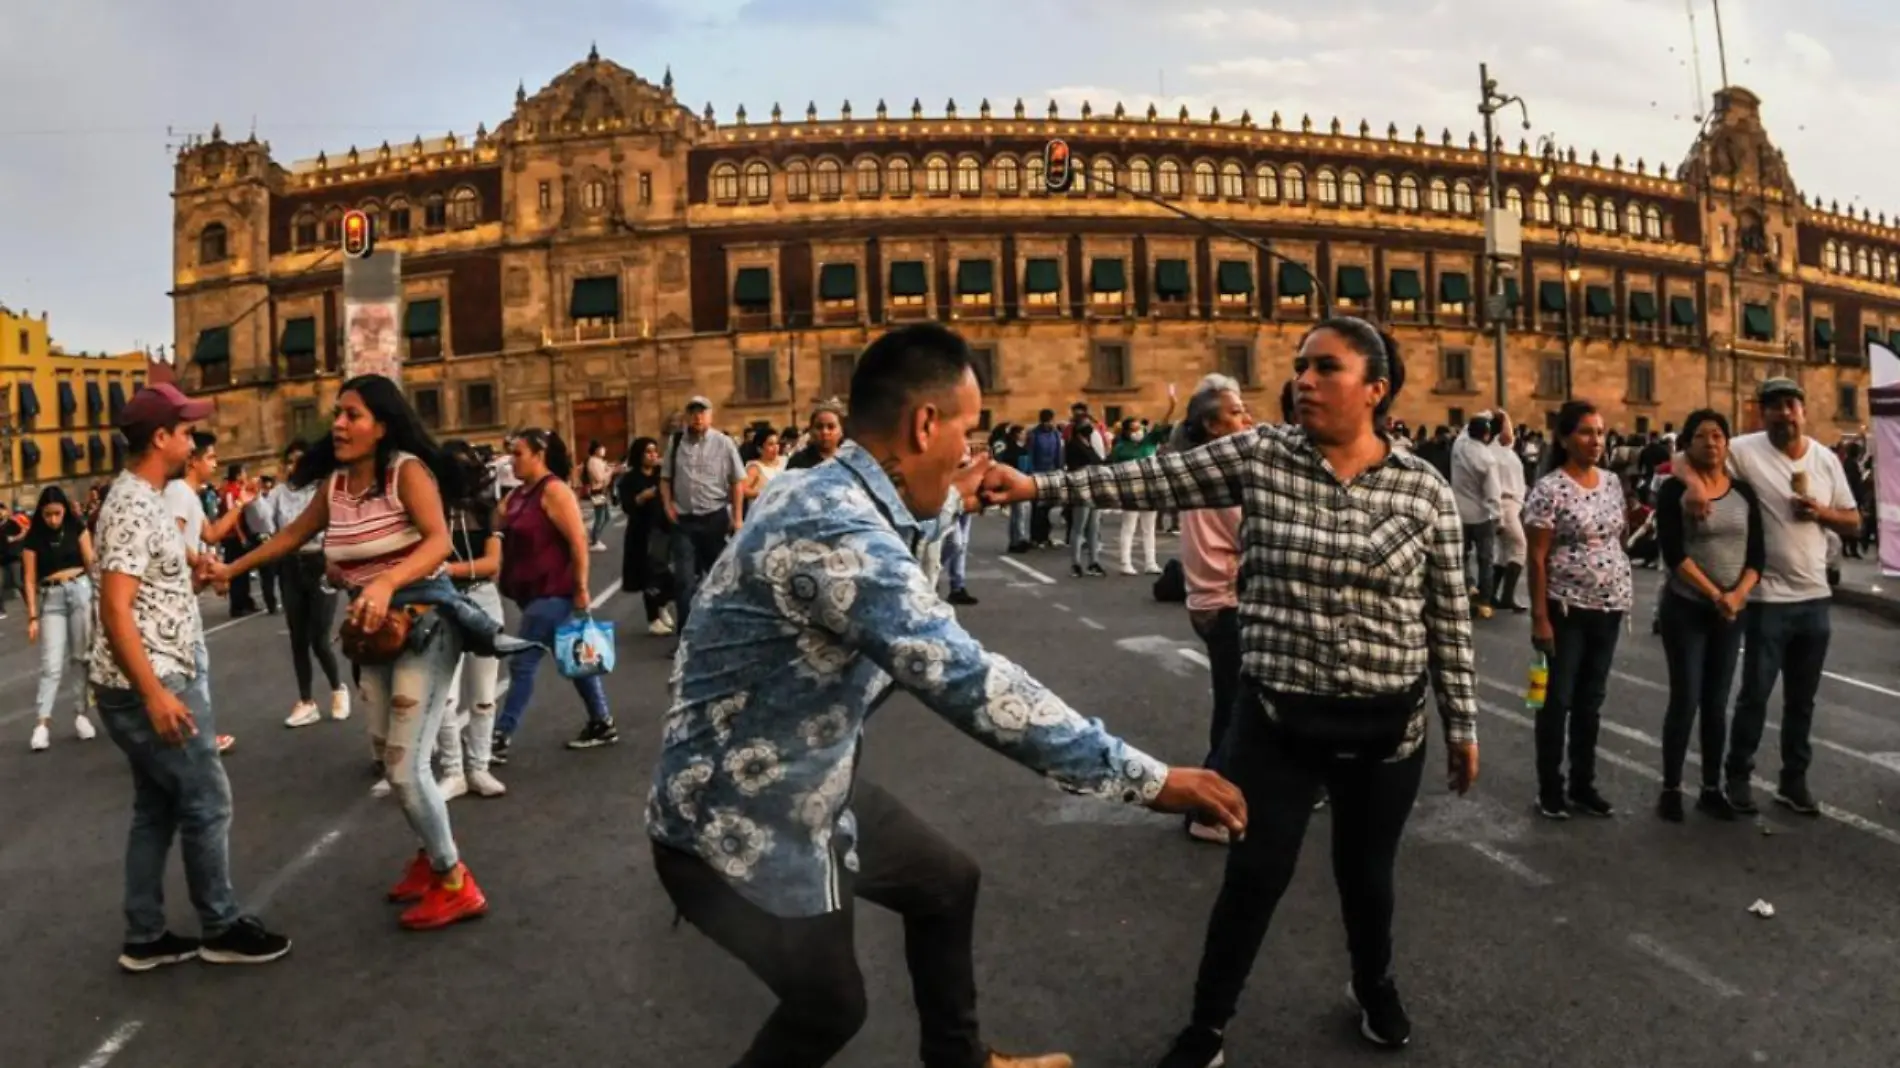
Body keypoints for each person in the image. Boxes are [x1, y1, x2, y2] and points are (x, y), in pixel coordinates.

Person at [648, 322, 1246, 1068]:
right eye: (967, 430)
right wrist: (1149, 780)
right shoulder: (836, 531)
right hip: (734, 823)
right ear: (924, 423)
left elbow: (889, 557)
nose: (970, 452)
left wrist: (952, 505)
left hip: (803, 782)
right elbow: (969, 679)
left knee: (944, 883)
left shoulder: (823, 484)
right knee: (828, 1008)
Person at [986, 316, 1480, 1062]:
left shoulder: (1425, 491)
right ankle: (1208, 1026)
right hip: (1277, 722)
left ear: (1376, 390)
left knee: (1367, 876)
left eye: (1326, 368)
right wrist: (1037, 483)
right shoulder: (1262, 456)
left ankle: (1373, 984)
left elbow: (1448, 616)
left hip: (1388, 733)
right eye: (1300, 366)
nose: (1303, 381)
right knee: (1253, 876)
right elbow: (1151, 479)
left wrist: (1464, 726)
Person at [211, 375, 514, 930]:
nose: (340, 424)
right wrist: (230, 568)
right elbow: (290, 536)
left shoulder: (408, 472)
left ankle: (455, 880)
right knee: (389, 754)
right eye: (338, 414)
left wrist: (383, 583)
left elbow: (439, 543)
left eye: (353, 414)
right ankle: (429, 855)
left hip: (424, 624)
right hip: (371, 633)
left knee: (404, 765)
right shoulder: (336, 485)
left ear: (382, 424)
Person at [90, 383, 291, 971]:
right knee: (207, 800)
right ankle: (221, 924)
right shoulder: (131, 505)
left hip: (153, 674)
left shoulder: (149, 496)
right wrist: (154, 694)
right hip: (152, 682)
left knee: (156, 806)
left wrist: (191, 576)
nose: (193, 440)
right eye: (184, 432)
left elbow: (146, 585)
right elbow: (115, 606)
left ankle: (145, 934)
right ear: (160, 438)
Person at [1685, 377, 1861, 815]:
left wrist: (1819, 512)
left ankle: (1793, 780)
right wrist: (1691, 485)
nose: (1783, 414)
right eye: (1774, 407)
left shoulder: (1825, 460)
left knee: (1802, 700)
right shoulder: (1743, 450)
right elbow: (1683, 456)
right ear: (1762, 414)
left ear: (1803, 410)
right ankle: (1738, 775)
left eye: (1790, 405)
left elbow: (1855, 521)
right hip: (1765, 597)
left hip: (1815, 596)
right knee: (1756, 694)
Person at [1523, 400, 1632, 820]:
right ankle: (1551, 788)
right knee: (1554, 700)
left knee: (1591, 700)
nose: (1596, 441)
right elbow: (1536, 557)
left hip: (1608, 608)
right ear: (1565, 438)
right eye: (1587, 432)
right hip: (1563, 609)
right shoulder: (1548, 489)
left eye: (1601, 432)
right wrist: (1539, 618)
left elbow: (1615, 539)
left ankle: (1584, 785)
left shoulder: (1610, 483)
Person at [1653, 409, 1763, 822]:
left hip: (1731, 611)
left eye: (1718, 436)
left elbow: (1757, 555)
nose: (1711, 443)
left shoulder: (1744, 494)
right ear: (1688, 444)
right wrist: (1716, 593)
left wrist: (1737, 596)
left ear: (1727, 444)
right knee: (1686, 698)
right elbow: (1674, 553)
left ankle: (1711, 787)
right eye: (1702, 436)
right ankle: (1671, 788)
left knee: (1717, 703)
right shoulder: (1673, 492)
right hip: (1686, 608)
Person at [491, 428, 617, 760]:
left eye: (518, 454)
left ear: (539, 454)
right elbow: (497, 525)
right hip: (530, 593)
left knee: (523, 663)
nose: (511, 461)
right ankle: (601, 721)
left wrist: (581, 589)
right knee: (574, 657)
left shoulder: (555, 491)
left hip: (554, 591)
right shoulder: (520, 494)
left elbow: (578, 542)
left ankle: (501, 734)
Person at [1168, 375, 1253, 844]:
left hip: (1209, 601)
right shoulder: (1224, 475)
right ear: (1213, 426)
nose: (1248, 418)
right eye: (1237, 412)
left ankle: (1229, 795)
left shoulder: (1195, 465)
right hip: (1228, 603)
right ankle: (1207, 810)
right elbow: (1253, 538)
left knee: (1238, 706)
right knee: (1237, 713)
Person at [433, 440, 508, 800]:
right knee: (444, 697)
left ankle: (479, 767)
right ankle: (453, 770)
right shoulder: (430, 510)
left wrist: (450, 568)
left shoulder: (486, 509)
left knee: (483, 695)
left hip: (480, 599)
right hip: (442, 602)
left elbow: (494, 564)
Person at [162, 431, 241, 755]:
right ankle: (199, 737)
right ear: (192, 461)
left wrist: (242, 507)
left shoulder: (189, 494)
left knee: (193, 665)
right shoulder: (179, 491)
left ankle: (194, 732)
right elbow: (173, 538)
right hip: (178, 593)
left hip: (186, 592)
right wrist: (202, 562)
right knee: (193, 666)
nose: (215, 463)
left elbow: (210, 532)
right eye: (210, 457)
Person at [268, 441, 350, 729]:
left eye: (300, 461)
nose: (294, 467)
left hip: (319, 562)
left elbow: (336, 526)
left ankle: (338, 688)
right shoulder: (278, 493)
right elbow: (268, 527)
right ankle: (306, 701)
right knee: (298, 638)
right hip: (291, 565)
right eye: (289, 461)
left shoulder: (323, 489)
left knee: (320, 636)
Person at [21, 486, 99, 752]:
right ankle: (42, 723)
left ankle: (81, 714)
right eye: (47, 515)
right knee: (51, 665)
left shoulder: (76, 528)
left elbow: (90, 562)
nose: (53, 520)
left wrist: (99, 599)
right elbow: (29, 579)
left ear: (65, 510)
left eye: (57, 513)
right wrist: (32, 615)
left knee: (81, 657)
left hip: (80, 590)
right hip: (50, 597)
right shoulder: (33, 539)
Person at [660, 396, 746, 630]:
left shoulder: (724, 443)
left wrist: (737, 518)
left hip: (714, 519)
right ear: (687, 416)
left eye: (702, 412)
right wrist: (668, 505)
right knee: (684, 581)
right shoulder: (676, 442)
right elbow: (665, 477)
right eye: (693, 412)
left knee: (721, 575)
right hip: (684, 520)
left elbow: (738, 481)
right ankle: (686, 635)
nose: (698, 417)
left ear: (710, 415)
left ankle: (727, 627)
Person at [617, 436, 676, 636]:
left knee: (670, 573)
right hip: (641, 532)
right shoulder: (630, 479)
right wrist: (643, 496)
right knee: (648, 576)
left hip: (664, 528)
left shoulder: (662, 475)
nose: (653, 456)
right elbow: (627, 506)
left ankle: (662, 603)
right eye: (648, 452)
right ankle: (653, 618)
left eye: (655, 451)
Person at [1450, 415, 1503, 620]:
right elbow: (1493, 492)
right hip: (1482, 515)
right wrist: (1498, 517)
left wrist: (1488, 413)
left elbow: (1465, 429)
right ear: (1487, 435)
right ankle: (1484, 602)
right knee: (1485, 559)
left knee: (1460, 556)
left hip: (1459, 512)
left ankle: (1467, 587)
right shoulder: (1487, 459)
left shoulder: (1458, 446)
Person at [784, 400, 845, 470]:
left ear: (841, 431)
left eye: (831, 427)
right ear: (811, 430)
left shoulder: (851, 461)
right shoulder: (797, 463)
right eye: (819, 427)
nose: (825, 432)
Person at [582, 439, 615, 551]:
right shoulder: (593, 462)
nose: (603, 450)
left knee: (606, 516)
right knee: (600, 516)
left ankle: (594, 538)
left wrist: (609, 470)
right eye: (601, 448)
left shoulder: (600, 461)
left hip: (602, 491)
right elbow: (600, 478)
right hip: (597, 491)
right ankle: (594, 541)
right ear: (596, 450)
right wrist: (610, 472)